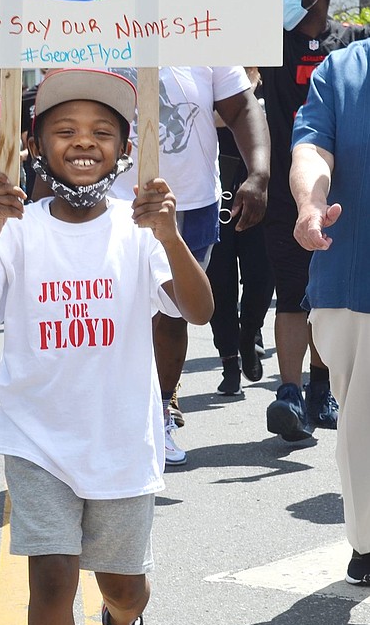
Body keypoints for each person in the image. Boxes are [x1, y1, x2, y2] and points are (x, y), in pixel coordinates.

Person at [0, 68, 213, 625]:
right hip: (38, 439)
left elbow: (197, 310)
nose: (82, 144)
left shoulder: (139, 225)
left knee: (123, 584)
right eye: (64, 132)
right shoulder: (18, 227)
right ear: (33, 144)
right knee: (52, 577)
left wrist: (173, 236)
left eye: (100, 134)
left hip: (122, 438)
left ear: (126, 149)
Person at [112, 67, 269, 463]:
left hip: (192, 205)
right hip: (112, 200)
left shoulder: (202, 24)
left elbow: (240, 107)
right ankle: (115, 419)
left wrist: (259, 173)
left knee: (174, 312)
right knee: (116, 313)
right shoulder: (98, 20)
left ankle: (161, 409)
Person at [260, 0, 370, 442]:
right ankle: (289, 390)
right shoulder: (271, 45)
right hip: (303, 198)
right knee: (293, 296)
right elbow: (309, 145)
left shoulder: (346, 42)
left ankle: (321, 387)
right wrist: (307, 200)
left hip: (342, 205)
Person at [290, 38, 370, 586]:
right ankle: (368, 540)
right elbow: (311, 148)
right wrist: (310, 205)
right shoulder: (343, 71)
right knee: (361, 424)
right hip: (351, 282)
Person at [207, 69, 274, 396]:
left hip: (257, 189)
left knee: (262, 274)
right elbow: (217, 118)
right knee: (219, 280)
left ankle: (250, 335)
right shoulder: (210, 76)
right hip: (215, 191)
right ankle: (229, 360)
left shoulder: (270, 81)